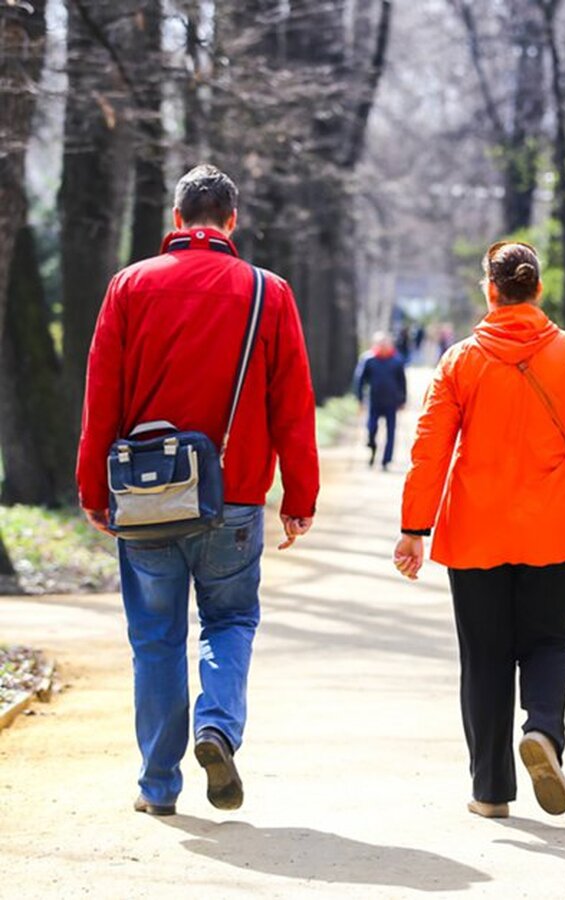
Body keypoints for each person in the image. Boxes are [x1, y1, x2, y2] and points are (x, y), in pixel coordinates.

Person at [76, 164, 319, 816]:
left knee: (155, 638)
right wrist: (300, 499)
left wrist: (92, 488)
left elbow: (101, 398)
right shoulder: (269, 293)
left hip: (146, 497)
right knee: (230, 619)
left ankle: (158, 786)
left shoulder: (129, 286)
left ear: (177, 221)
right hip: (233, 496)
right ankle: (216, 727)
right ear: (231, 221)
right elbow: (293, 404)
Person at [393, 240, 565, 820]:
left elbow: (429, 452)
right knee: (550, 640)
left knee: (485, 656)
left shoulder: (459, 362)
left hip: (475, 532)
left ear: (490, 291)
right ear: (538, 289)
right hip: (553, 528)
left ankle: (490, 790)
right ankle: (543, 729)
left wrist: (414, 528)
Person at [353, 330, 408, 470]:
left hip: (391, 402)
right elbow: (359, 380)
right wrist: (359, 399)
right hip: (374, 401)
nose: (383, 346)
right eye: (380, 343)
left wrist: (403, 400)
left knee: (391, 432)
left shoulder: (397, 360)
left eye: (386, 343)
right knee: (371, 429)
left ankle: (386, 460)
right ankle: (372, 448)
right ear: (375, 344)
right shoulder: (368, 359)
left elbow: (402, 382)